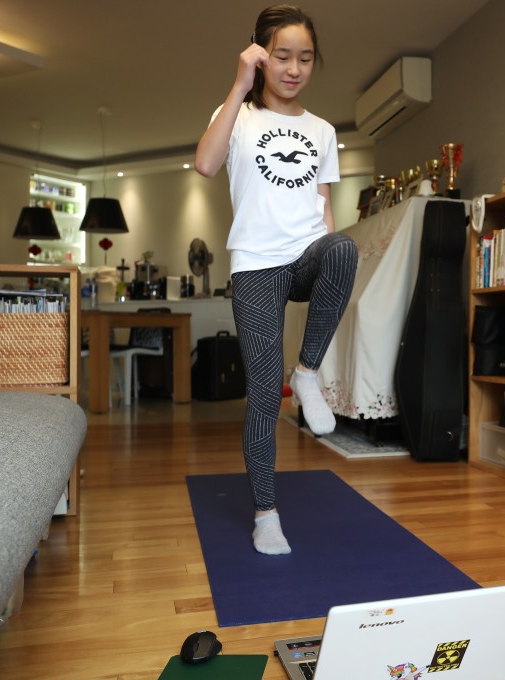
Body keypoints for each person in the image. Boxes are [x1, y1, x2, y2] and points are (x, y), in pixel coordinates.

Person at [195, 4, 357, 556]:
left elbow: (324, 206)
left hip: (306, 252)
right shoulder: (236, 114)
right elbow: (205, 166)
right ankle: (266, 513)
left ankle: (307, 373)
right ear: (261, 56)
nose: (294, 68)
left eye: (305, 58)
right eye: (282, 56)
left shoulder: (323, 131)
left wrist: (332, 258)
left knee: (343, 246)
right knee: (263, 393)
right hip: (256, 266)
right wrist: (239, 85)